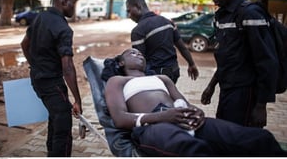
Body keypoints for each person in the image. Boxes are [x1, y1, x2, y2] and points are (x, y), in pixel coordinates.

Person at [102, 48, 286, 156]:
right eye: (133, 53)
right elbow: (119, 118)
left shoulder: (162, 78)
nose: (140, 55)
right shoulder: (117, 81)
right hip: (152, 125)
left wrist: (195, 111)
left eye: (142, 54)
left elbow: (181, 101)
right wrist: (162, 116)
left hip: (181, 118)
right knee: (192, 149)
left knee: (259, 138)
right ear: (120, 63)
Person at [201, 0, 279, 128]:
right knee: (224, 134)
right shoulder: (222, 15)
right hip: (227, 89)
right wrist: (211, 86)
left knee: (238, 142)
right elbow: (226, 57)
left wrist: (261, 106)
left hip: (246, 93)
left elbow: (267, 61)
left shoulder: (250, 13)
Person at [20, 0, 82, 157]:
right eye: (72, 3)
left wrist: (35, 65)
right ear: (63, 1)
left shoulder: (40, 17)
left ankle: (50, 152)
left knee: (55, 117)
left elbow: (24, 44)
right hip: (52, 84)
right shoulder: (63, 29)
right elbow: (68, 68)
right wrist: (77, 100)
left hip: (37, 80)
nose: (73, 8)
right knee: (63, 124)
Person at [126, 0, 199, 83]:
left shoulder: (138, 31)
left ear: (138, 6)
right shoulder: (167, 22)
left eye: (129, 11)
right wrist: (192, 64)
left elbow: (140, 61)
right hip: (174, 72)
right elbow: (182, 47)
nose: (129, 15)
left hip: (156, 76)